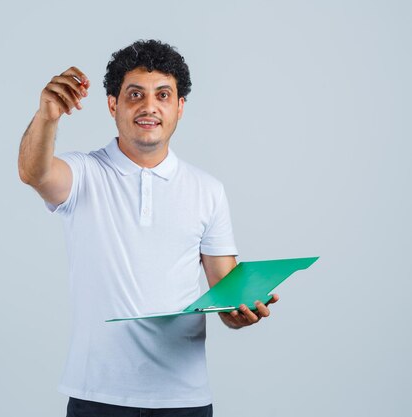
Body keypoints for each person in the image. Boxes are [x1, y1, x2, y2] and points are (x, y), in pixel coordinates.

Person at [18, 39, 278, 417]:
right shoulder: (84, 173)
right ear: (113, 105)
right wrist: (46, 116)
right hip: (97, 396)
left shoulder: (208, 190)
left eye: (163, 95)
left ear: (179, 107)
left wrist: (239, 312)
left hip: (184, 400)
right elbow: (33, 172)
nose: (149, 107)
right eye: (135, 94)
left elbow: (226, 292)